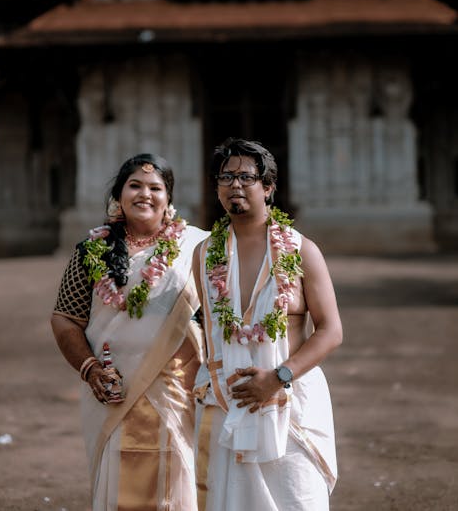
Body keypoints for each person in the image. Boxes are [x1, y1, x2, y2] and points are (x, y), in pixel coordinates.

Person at [51, 153, 208, 511]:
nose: (145, 194)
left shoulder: (198, 248)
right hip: (112, 389)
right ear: (118, 195)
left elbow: (219, 314)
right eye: (134, 185)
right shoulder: (91, 252)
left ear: (169, 199)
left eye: (156, 187)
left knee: (180, 484)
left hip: (179, 391)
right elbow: (64, 319)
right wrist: (91, 369)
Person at [192, 137, 342, 511]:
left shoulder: (300, 249)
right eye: (225, 178)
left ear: (269, 187)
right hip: (231, 403)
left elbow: (331, 330)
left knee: (299, 501)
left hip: (291, 402)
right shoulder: (205, 254)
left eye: (246, 177)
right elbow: (207, 330)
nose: (235, 186)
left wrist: (277, 377)